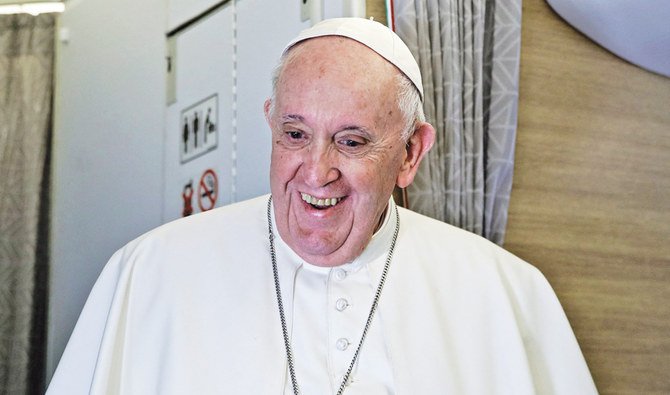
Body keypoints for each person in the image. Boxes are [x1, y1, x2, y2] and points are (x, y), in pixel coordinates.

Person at [47, 18, 597, 394]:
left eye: (351, 142)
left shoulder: (503, 295)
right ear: (270, 122)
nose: (316, 172)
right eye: (294, 134)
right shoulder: (149, 274)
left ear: (410, 153)